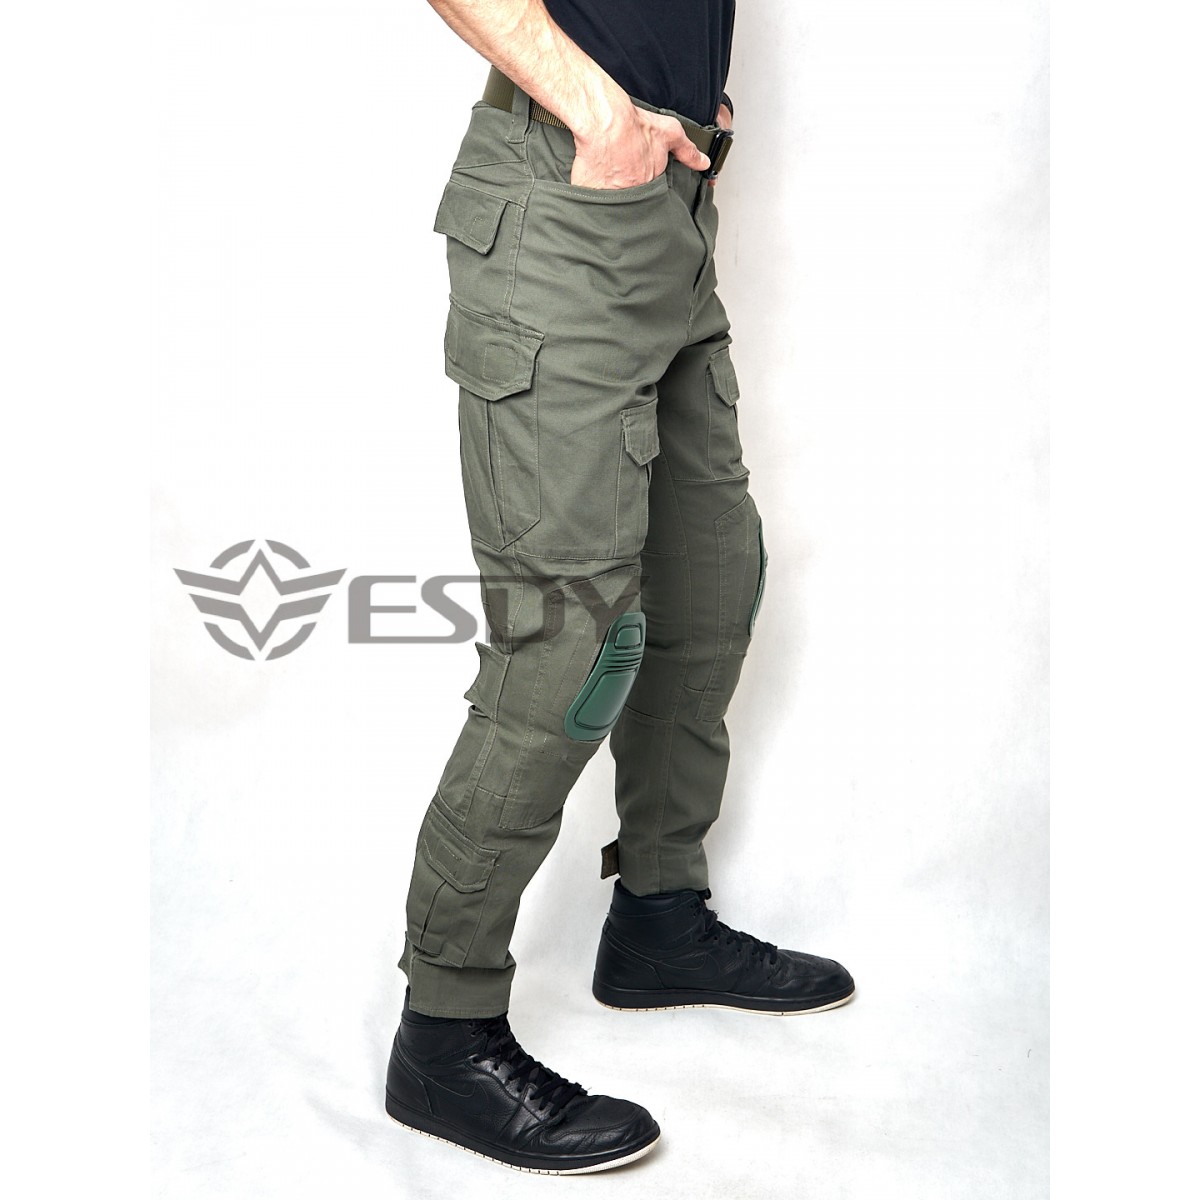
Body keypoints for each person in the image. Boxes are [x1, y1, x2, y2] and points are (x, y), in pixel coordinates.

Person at [385, 0, 854, 1174]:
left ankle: (658, 919)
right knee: (568, 648)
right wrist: (598, 109)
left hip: (670, 200)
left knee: (709, 593)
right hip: (564, 201)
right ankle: (443, 1031)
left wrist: (695, 107)